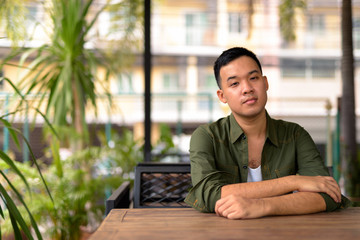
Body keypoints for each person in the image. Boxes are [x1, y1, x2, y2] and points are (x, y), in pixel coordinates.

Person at [184, 47, 350, 219]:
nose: (247, 88)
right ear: (222, 96)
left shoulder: (295, 134)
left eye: (253, 78)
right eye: (234, 83)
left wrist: (262, 206)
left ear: (265, 83)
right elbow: (209, 196)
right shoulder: (207, 136)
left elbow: (328, 196)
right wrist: (294, 181)